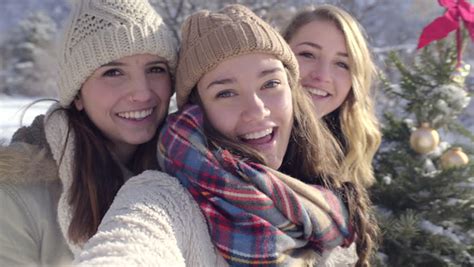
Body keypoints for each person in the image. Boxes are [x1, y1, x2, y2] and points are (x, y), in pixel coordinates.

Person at [77, 4, 376, 267]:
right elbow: (132, 243)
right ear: (197, 111)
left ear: (292, 89)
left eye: (270, 83)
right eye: (226, 92)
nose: (256, 110)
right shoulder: (166, 193)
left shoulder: (327, 187)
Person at [0, 0, 177, 265]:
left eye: (155, 69)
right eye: (113, 72)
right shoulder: (14, 196)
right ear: (77, 95)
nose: (142, 93)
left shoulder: (188, 171)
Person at [282, 5, 382, 188]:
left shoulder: (348, 149)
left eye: (342, 64)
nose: (323, 75)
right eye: (308, 54)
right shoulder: (252, 142)